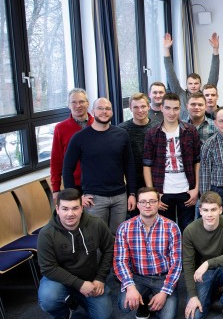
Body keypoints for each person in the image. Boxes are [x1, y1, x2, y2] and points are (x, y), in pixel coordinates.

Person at [37, 188, 113, 319]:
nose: (70, 214)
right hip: (59, 281)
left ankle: (74, 299)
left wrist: (100, 278)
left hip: (89, 278)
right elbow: (48, 268)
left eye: (75, 208)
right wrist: (79, 284)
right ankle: (61, 315)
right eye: (65, 209)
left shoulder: (96, 224)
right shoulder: (46, 234)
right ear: (57, 209)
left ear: (82, 208)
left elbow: (109, 249)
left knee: (103, 318)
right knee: (49, 298)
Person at [62, 97, 136, 234]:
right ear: (93, 111)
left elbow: (129, 166)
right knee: (95, 239)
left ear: (112, 112)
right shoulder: (79, 138)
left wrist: (131, 193)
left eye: (107, 109)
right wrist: (77, 198)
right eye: (100, 108)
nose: (104, 112)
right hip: (94, 199)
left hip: (120, 197)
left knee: (118, 238)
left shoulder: (121, 134)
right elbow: (67, 169)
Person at [113, 187, 182, 319]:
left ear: (158, 203)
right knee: (124, 306)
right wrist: (130, 287)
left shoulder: (172, 227)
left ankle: (160, 298)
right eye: (143, 202)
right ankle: (143, 302)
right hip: (138, 277)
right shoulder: (124, 228)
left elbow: (177, 264)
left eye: (152, 201)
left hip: (163, 277)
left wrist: (164, 292)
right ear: (137, 205)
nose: (147, 205)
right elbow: (120, 261)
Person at [182, 192, 223, 319]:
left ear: (220, 210)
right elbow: (187, 265)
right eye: (205, 210)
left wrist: (208, 263)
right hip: (202, 274)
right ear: (200, 211)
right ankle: (212, 293)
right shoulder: (190, 230)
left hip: (222, 268)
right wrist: (193, 296)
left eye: (213, 209)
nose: (209, 214)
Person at [143, 92, 201, 231]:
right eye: (168, 108)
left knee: (187, 230)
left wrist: (196, 189)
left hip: (187, 190)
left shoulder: (190, 130)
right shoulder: (152, 133)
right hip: (162, 191)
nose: (172, 112)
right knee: (164, 230)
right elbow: (147, 165)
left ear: (180, 109)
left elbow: (197, 162)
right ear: (161, 108)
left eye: (175, 108)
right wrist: (153, 194)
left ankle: (185, 254)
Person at [162, 32, 220, 119]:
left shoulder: (205, 94)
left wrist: (215, 50)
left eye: (196, 83)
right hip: (184, 130)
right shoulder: (180, 94)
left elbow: (214, 74)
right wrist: (166, 50)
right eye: (190, 83)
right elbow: (170, 74)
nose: (193, 86)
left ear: (200, 85)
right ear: (186, 85)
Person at [50, 88, 93, 201]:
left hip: (97, 183)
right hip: (73, 184)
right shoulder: (60, 128)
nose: (78, 105)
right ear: (68, 105)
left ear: (87, 103)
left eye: (81, 101)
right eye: (73, 102)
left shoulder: (98, 124)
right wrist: (56, 189)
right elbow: (56, 160)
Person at [118, 92, 159, 192]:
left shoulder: (158, 128)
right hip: (131, 180)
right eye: (136, 107)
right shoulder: (121, 130)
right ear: (130, 108)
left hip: (155, 178)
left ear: (149, 107)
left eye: (143, 106)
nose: (140, 110)